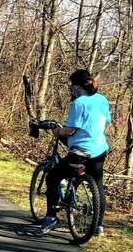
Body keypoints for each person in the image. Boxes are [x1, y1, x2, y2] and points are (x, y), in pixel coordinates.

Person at [36, 69, 109, 235]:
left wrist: (58, 131)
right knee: (97, 185)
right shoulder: (102, 99)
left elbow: (69, 130)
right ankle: (98, 226)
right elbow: (105, 122)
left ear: (77, 86)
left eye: (72, 85)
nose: (71, 89)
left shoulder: (79, 102)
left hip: (81, 150)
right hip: (99, 149)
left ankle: (51, 217)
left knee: (53, 176)